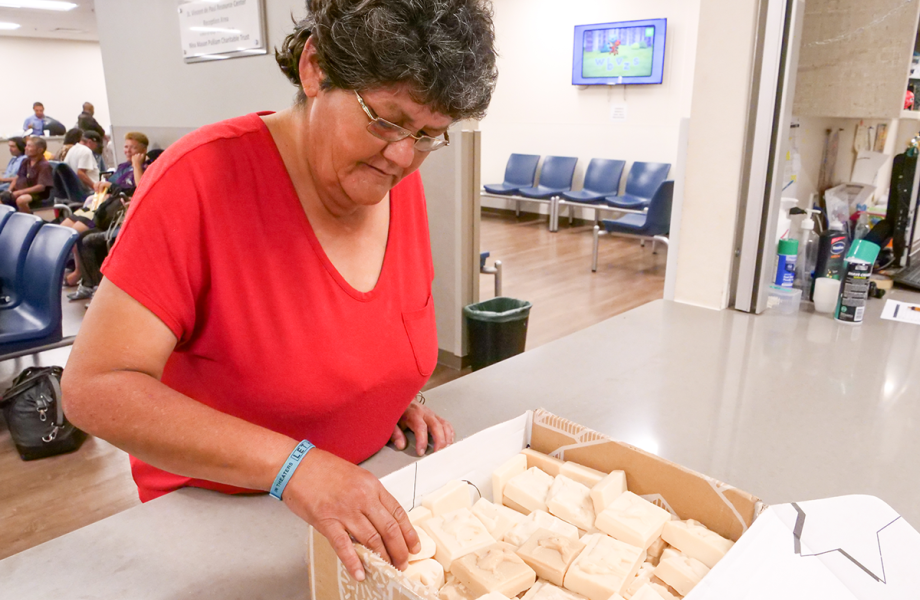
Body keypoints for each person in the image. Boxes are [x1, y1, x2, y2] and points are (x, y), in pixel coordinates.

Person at [62, 0, 497, 582]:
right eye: (385, 120)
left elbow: (349, 333)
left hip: (359, 502)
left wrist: (378, 396)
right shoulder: (199, 183)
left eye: (428, 135)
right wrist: (296, 466)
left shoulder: (391, 178)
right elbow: (95, 389)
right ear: (316, 69)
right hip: (222, 530)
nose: (402, 155)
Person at [0, 137, 53, 213]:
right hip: (22, 190)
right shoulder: (26, 161)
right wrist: (9, 191)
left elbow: (40, 187)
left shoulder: (44, 166)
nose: (25, 148)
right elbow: (17, 178)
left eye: (29, 146)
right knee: (3, 197)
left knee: (21, 200)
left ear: (40, 150)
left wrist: (19, 192)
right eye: (26, 145)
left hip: (37, 194)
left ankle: (27, 218)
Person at [96, 131, 149, 197]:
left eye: (133, 147)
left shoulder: (147, 168)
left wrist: (136, 165)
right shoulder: (123, 166)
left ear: (144, 150)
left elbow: (140, 190)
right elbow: (111, 181)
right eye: (126, 147)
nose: (128, 151)